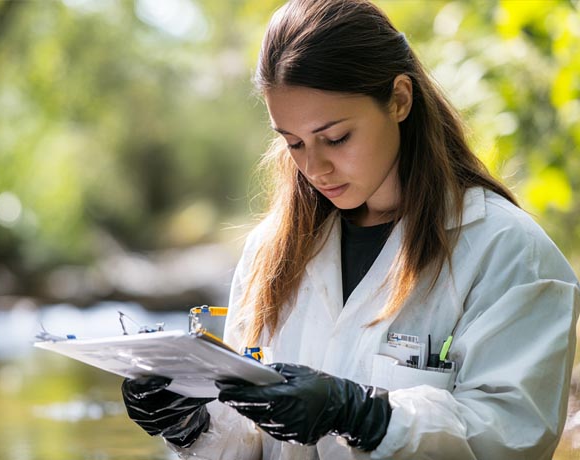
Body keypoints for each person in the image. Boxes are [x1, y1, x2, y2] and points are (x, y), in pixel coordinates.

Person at [121, 0, 580, 458]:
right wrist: (189, 423)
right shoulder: (271, 251)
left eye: (336, 138)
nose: (314, 168)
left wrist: (365, 415)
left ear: (399, 99)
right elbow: (248, 442)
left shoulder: (508, 251)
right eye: (294, 143)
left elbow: (510, 436)